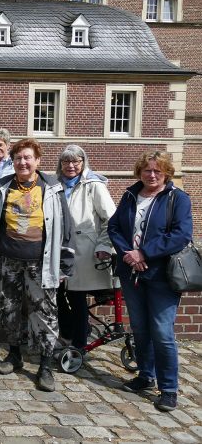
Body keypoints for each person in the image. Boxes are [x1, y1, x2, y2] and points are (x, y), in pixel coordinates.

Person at [0, 137, 74, 392]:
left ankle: (44, 366)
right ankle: (14, 355)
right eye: (18, 158)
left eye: (27, 158)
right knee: (8, 309)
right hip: (8, 261)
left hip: (41, 264)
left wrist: (65, 264)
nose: (23, 162)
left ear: (37, 161)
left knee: (44, 314)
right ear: (13, 161)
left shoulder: (53, 188)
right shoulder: (1, 188)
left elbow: (66, 228)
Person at [108, 151, 192, 412]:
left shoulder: (177, 198)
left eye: (157, 170)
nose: (152, 175)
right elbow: (114, 227)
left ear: (167, 172)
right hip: (132, 272)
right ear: (139, 172)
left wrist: (145, 253)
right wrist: (129, 255)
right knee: (140, 328)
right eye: (147, 170)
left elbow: (181, 234)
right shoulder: (130, 195)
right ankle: (146, 376)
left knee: (162, 333)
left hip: (162, 276)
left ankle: (168, 389)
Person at [54, 145, 116, 351]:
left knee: (77, 298)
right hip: (59, 250)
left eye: (76, 161)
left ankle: (79, 346)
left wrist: (104, 245)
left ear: (83, 162)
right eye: (66, 162)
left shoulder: (94, 185)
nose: (71, 166)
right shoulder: (55, 185)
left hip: (85, 252)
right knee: (55, 294)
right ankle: (68, 334)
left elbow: (112, 220)